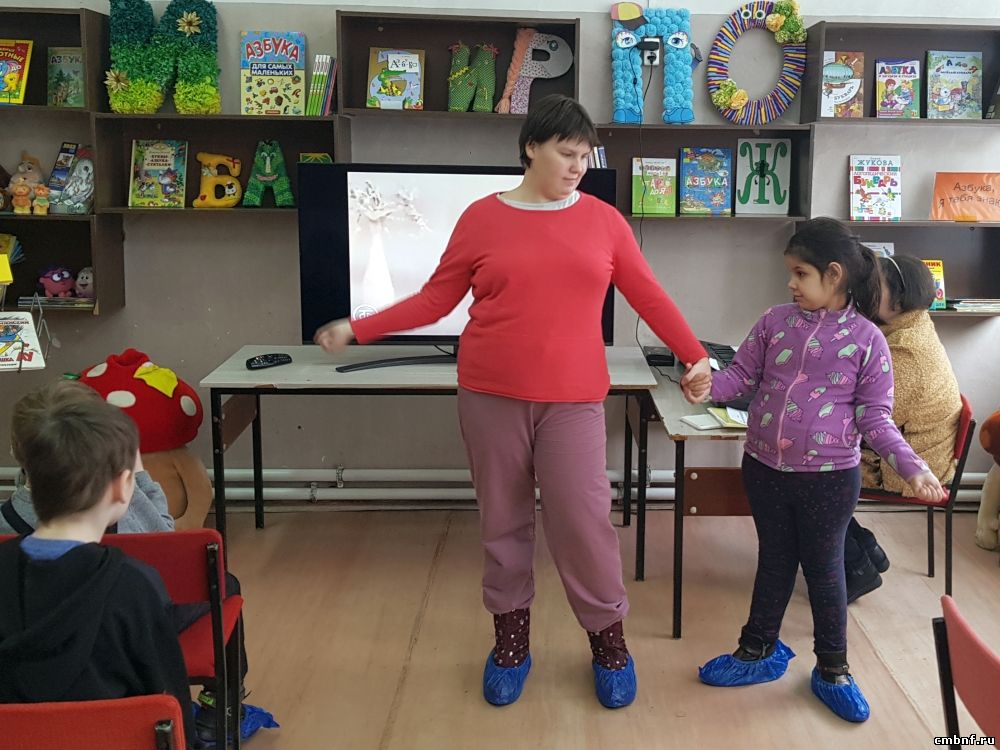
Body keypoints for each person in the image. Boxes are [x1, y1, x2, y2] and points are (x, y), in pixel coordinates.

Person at [315, 94, 710, 709]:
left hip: (572, 399)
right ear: (531, 147)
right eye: (566, 153)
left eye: (585, 156)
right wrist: (356, 327)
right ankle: (510, 645)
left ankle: (609, 644)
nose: (578, 167)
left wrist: (694, 354)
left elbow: (648, 295)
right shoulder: (481, 217)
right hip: (490, 394)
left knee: (583, 524)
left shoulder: (604, 221)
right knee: (502, 522)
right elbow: (436, 300)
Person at [685, 218, 945, 723]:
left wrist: (912, 468)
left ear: (834, 274)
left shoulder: (869, 341)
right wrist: (706, 386)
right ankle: (758, 651)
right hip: (763, 467)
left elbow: (875, 418)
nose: (791, 284)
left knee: (825, 571)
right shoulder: (774, 322)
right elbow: (740, 376)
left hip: (829, 479)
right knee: (774, 560)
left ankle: (832, 670)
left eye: (800, 274)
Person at [0, 381, 270, 745]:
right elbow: (166, 699)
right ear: (122, 486)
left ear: (26, 470)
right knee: (226, 584)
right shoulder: (134, 587)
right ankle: (219, 707)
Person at [845, 254, 962, 603]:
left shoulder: (905, 350)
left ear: (897, 301)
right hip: (911, 448)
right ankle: (863, 546)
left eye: (873, 287)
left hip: (904, 467)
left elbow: (870, 421)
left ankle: (856, 565)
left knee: (808, 473)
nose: (862, 292)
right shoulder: (910, 328)